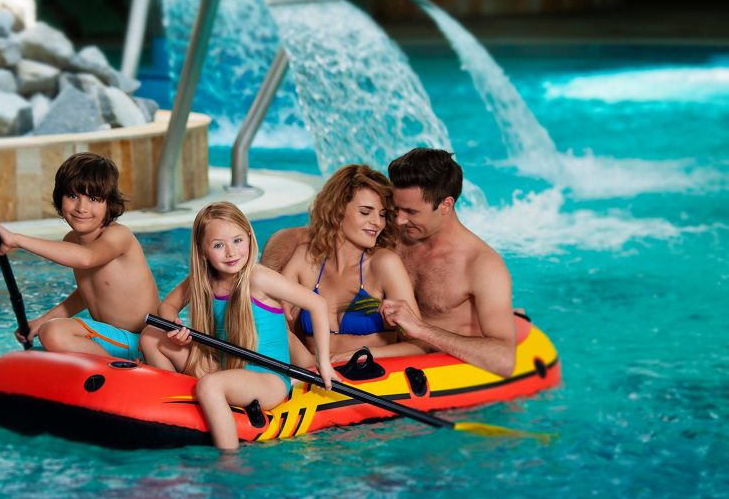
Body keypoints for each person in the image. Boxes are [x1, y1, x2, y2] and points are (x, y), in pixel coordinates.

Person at [262, 149, 516, 377]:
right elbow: (295, 236)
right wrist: (273, 288)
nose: (397, 221)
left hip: (429, 370)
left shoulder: (481, 266)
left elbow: (504, 361)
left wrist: (421, 329)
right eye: (394, 210)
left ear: (445, 205)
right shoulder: (388, 236)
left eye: (411, 212)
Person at [140, 201, 334, 451]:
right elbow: (167, 307)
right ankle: (174, 407)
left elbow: (317, 304)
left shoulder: (259, 278)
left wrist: (324, 363)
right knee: (150, 336)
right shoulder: (204, 280)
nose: (231, 252)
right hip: (223, 365)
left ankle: (229, 460)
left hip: (266, 378)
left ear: (250, 239)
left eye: (238, 241)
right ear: (202, 251)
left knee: (211, 385)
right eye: (219, 245)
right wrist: (174, 326)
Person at [0, 152, 159, 360]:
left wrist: (16, 240)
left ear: (109, 204)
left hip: (141, 340)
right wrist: (39, 321)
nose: (81, 208)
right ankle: (115, 367)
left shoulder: (118, 235)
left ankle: (122, 374)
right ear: (60, 197)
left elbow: (86, 258)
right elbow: (88, 293)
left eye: (94, 198)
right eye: (73, 196)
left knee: (54, 332)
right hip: (111, 338)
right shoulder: (72, 240)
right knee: (45, 332)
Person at [276, 165, 424, 366]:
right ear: (336, 211)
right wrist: (308, 360)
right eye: (365, 212)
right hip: (315, 378)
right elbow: (270, 319)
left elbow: (419, 345)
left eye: (381, 214)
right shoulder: (307, 258)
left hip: (374, 378)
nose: (377, 222)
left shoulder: (384, 264)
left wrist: (356, 355)